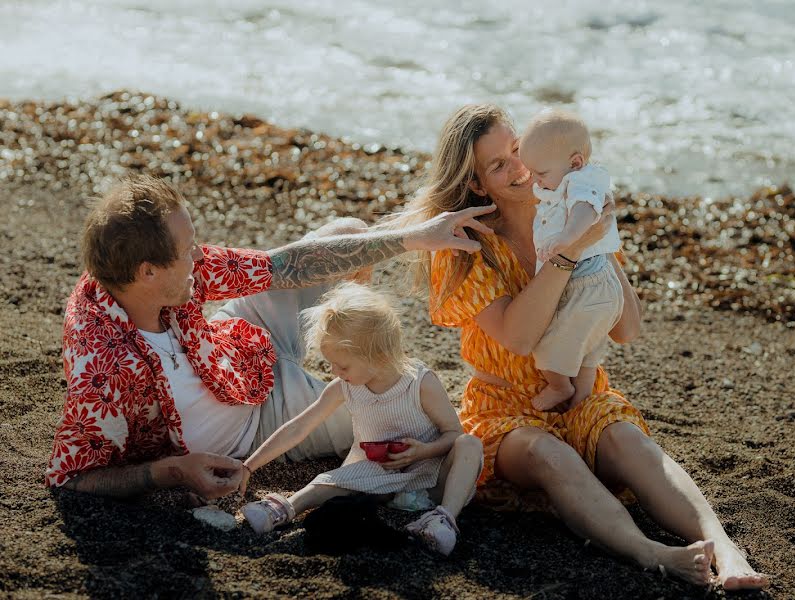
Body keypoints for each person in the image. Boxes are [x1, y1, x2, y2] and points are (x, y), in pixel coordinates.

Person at [398, 104, 769, 590]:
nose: (520, 168)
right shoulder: (464, 247)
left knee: (630, 441)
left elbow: (626, 329)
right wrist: (571, 252)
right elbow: (519, 336)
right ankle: (651, 552)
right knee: (551, 454)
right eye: (499, 165)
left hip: (580, 391)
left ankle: (724, 547)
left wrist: (598, 241)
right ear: (476, 185)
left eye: (517, 150)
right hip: (504, 407)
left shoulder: (572, 210)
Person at [45, 174, 494, 503]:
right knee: (420, 430)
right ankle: (350, 383)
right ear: (148, 272)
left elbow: (284, 265)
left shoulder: (154, 271)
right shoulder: (101, 371)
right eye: (188, 251)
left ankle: (346, 357)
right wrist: (173, 471)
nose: (200, 256)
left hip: (237, 343)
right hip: (262, 422)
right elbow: (73, 476)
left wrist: (416, 238)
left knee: (351, 234)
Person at [239, 283, 483, 557]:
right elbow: (299, 427)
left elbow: (452, 433)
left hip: (432, 479)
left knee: (470, 444)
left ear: (378, 357)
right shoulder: (343, 386)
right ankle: (285, 508)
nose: (334, 371)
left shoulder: (419, 383)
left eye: (342, 366)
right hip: (379, 478)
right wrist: (249, 467)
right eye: (331, 364)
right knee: (326, 481)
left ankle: (443, 519)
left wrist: (423, 451)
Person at [518, 109, 622, 411]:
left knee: (549, 344)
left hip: (584, 283)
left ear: (575, 162)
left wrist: (565, 239)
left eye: (540, 174)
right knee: (589, 352)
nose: (534, 180)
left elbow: (586, 212)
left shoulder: (580, 181)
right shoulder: (572, 177)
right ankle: (580, 405)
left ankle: (559, 385)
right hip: (602, 284)